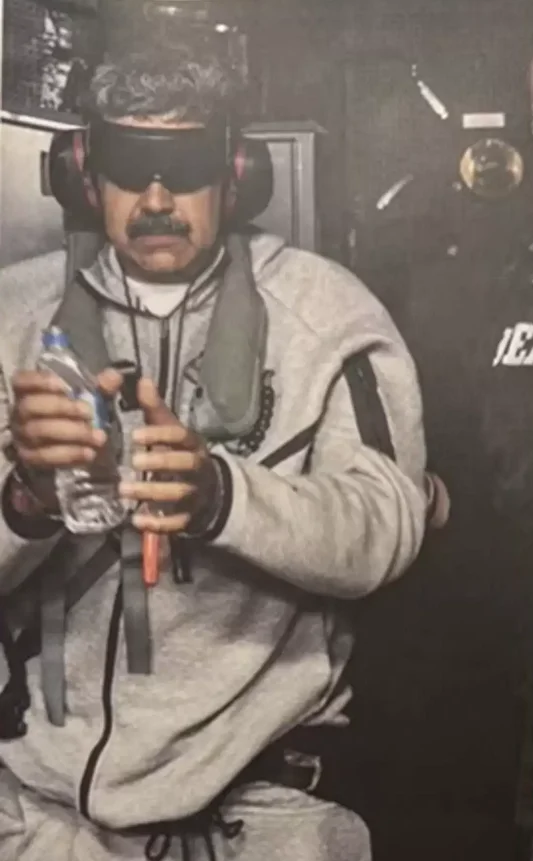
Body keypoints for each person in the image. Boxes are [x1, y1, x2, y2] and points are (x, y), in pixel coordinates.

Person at [0, 45, 427, 861]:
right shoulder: (10, 318)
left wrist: (223, 498)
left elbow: (387, 524)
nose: (157, 199)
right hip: (41, 810)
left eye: (187, 167)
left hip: (259, 808)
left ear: (236, 175)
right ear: (85, 173)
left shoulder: (328, 314)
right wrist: (25, 500)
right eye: (131, 167)